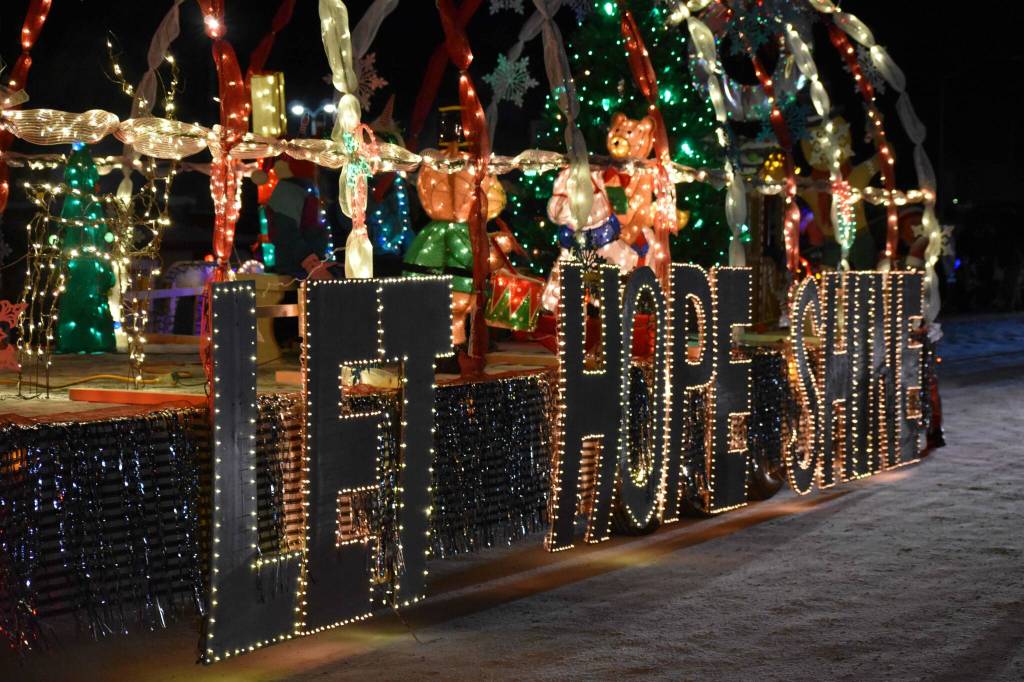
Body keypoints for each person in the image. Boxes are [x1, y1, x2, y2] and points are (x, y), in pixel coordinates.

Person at [262, 157, 338, 280]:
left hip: (308, 268)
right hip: (298, 271)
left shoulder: (308, 188)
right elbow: (285, 231)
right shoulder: (290, 189)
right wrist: (310, 262)